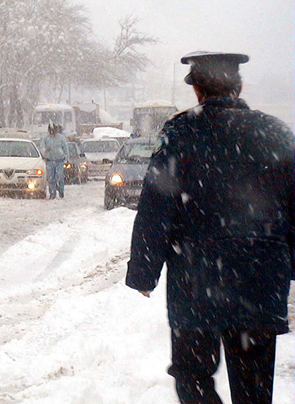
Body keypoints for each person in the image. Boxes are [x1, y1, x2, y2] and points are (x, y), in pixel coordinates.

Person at [126, 51, 294, 404]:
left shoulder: (181, 132)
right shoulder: (277, 133)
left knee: (192, 376)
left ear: (197, 90)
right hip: (260, 281)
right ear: (239, 86)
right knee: (254, 386)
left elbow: (156, 206)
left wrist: (144, 271)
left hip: (197, 282)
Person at [40, 123, 69, 199]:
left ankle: (61, 190)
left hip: (60, 160)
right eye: (51, 130)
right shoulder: (45, 138)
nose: (52, 132)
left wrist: (66, 157)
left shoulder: (61, 138)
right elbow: (41, 148)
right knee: (50, 178)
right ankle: (52, 193)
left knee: (59, 176)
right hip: (49, 160)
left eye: (53, 130)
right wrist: (45, 151)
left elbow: (65, 148)